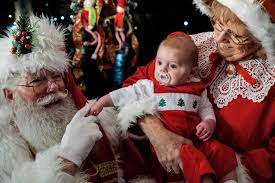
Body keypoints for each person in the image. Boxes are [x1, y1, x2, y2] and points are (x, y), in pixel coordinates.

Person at [122, 0, 275, 182]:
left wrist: (220, 170)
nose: (218, 39)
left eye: (235, 35)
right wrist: (158, 134)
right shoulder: (190, 47)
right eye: (217, 24)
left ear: (262, 36)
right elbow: (133, 85)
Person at [0, 15, 149, 182]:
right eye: (37, 80)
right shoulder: (5, 146)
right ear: (10, 95)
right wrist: (68, 158)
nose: (54, 86)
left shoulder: (100, 117)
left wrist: (153, 126)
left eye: (57, 76)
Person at [89, 33, 238, 183]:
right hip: (174, 143)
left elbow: (205, 108)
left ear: (191, 72)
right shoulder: (149, 86)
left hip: (197, 139)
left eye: (172, 66)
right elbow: (124, 94)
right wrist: (102, 101)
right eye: (159, 63)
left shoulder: (197, 88)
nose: (163, 69)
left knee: (221, 151)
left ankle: (230, 180)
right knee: (193, 159)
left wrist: (209, 122)